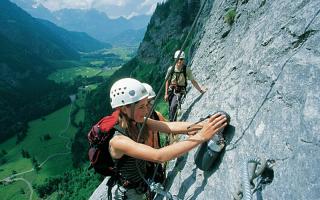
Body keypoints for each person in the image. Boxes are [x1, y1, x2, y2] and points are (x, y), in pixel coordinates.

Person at [109, 78, 227, 199]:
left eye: (146, 105)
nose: (146, 111)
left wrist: (204, 125)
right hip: (131, 194)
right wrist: (201, 136)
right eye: (141, 107)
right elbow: (158, 156)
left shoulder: (138, 121)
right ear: (124, 109)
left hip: (143, 184)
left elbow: (169, 126)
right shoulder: (118, 141)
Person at [164, 50, 207, 122]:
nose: (179, 61)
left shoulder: (186, 69)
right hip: (171, 90)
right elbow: (167, 81)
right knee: (171, 108)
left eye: (181, 59)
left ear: (183, 60)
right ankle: (172, 123)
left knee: (173, 106)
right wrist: (166, 94)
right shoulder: (170, 69)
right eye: (177, 59)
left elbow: (193, 81)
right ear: (175, 59)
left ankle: (172, 125)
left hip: (180, 90)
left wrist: (200, 90)